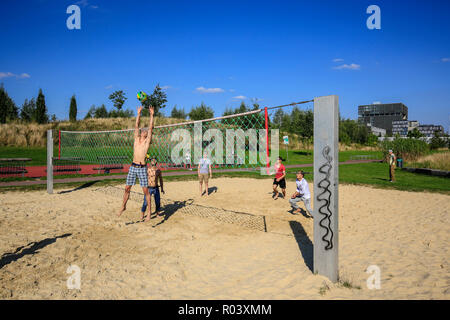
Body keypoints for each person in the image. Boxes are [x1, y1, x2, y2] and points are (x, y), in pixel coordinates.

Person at [118, 105, 155, 221]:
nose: (143, 131)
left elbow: (150, 128)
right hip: (133, 167)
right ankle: (123, 206)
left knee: (145, 191)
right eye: (142, 130)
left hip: (142, 168)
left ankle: (149, 212)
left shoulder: (147, 142)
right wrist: (138, 113)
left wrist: (151, 115)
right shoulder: (136, 139)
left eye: (145, 131)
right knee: (127, 188)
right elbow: (136, 125)